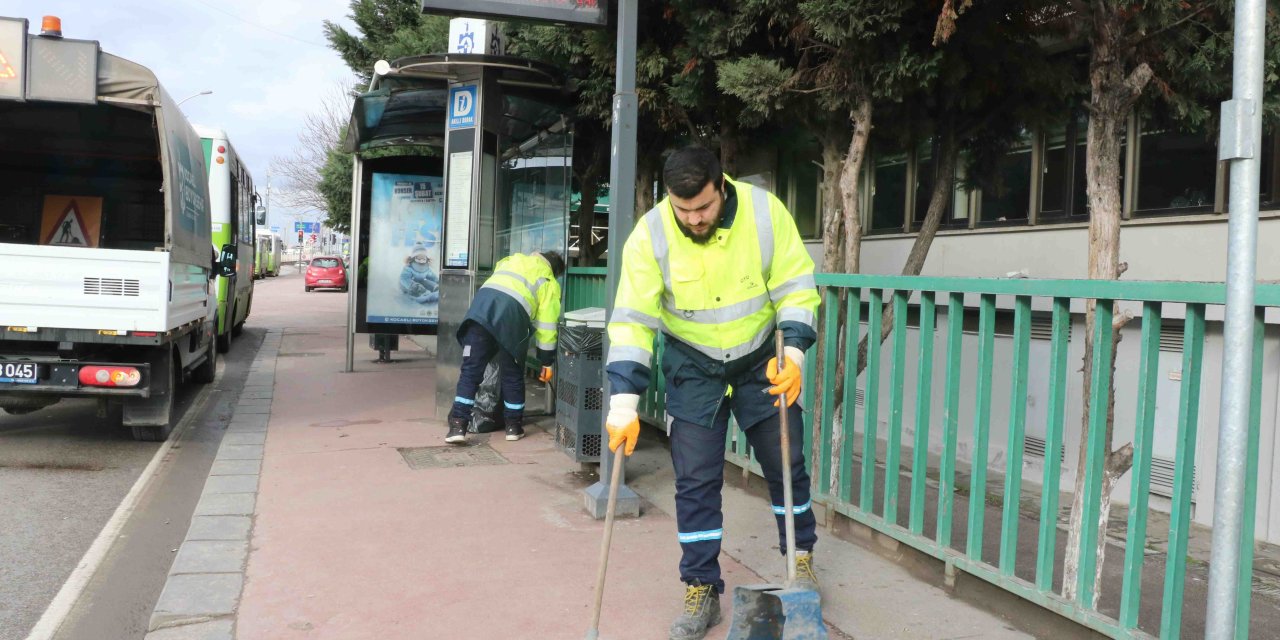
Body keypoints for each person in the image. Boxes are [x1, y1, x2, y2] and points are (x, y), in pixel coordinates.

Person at [604, 146, 821, 640]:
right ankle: (701, 586)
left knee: (786, 465)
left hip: (763, 360)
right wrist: (623, 404)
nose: (694, 219)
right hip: (693, 366)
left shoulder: (765, 213)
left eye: (703, 207)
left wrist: (793, 356)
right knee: (695, 480)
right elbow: (633, 321)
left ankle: (800, 560)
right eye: (683, 210)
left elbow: (796, 286)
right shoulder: (650, 235)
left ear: (723, 187)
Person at [445, 250, 565, 444]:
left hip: (480, 312)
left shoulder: (511, 260)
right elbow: (547, 327)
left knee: (470, 372)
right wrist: (546, 361)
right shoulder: (549, 282)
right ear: (555, 270)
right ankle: (513, 427)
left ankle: (457, 426)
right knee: (512, 374)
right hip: (512, 318)